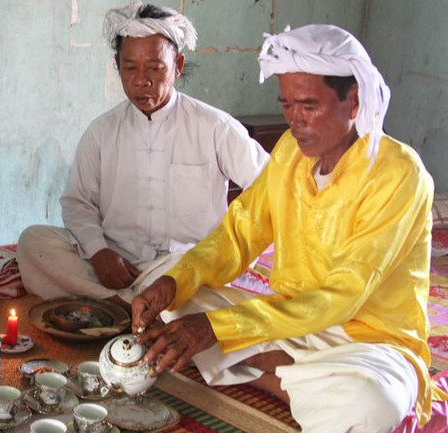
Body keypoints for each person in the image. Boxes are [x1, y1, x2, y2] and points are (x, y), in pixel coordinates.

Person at [131, 24, 446, 432]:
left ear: (353, 101)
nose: (296, 122)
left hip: (367, 344)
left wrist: (218, 328)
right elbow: (236, 236)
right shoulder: (289, 154)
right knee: (166, 288)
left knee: (369, 403)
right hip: (288, 325)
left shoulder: (399, 174)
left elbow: (342, 295)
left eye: (309, 106)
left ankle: (269, 375)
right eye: (286, 106)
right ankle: (287, 375)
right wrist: (175, 282)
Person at [17, 1, 269, 305]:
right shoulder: (102, 132)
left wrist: (227, 249)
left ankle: (117, 305)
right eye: (130, 68)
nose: (141, 81)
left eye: (155, 68)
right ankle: (126, 305)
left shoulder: (216, 127)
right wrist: (99, 252)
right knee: (34, 242)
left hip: (181, 264)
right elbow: (77, 202)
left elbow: (268, 188)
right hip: (117, 261)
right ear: (117, 65)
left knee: (188, 277)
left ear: (178, 65)